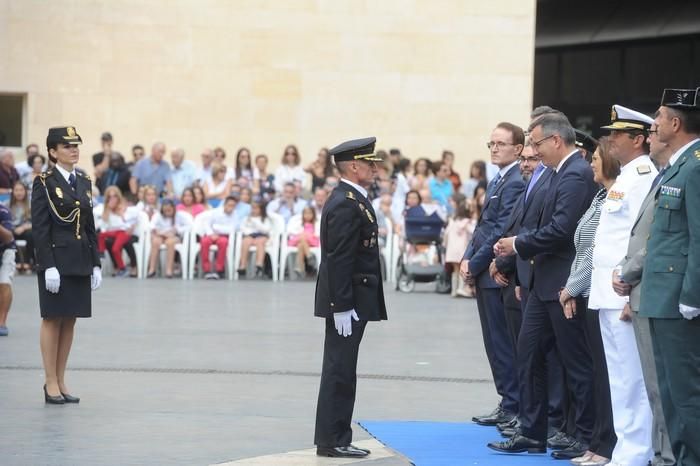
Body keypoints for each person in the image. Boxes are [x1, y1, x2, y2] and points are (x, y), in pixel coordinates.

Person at [491, 113, 597, 456]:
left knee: (574, 362)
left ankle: (582, 434)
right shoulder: (554, 173)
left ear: (555, 141)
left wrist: (518, 244)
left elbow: (562, 228)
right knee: (529, 354)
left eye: (536, 144)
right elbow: (537, 220)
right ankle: (532, 431)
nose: (533, 152)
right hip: (541, 282)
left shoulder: (576, 175)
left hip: (563, 284)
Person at [587, 105, 656, 466]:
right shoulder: (629, 175)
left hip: (621, 293)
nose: (611, 139)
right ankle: (625, 450)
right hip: (606, 292)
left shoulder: (643, 174)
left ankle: (636, 453)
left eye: (618, 134)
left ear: (638, 139)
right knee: (619, 379)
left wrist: (631, 289)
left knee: (632, 380)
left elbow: (640, 238)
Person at [637, 87, 700, 465]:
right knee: (671, 393)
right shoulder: (678, 165)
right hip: (661, 296)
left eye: (659, 116)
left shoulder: (695, 166)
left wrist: (693, 296)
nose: (654, 123)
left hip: (679, 299)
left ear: (675, 123)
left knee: (686, 392)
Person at [314, 137, 387, 459]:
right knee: (339, 369)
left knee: (343, 367)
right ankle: (333, 439)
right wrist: (341, 306)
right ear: (355, 166)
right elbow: (339, 259)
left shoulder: (352, 197)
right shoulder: (345, 201)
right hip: (347, 301)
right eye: (371, 164)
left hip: (352, 298)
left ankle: (336, 436)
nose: (375, 169)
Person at [613, 120, 675, 466]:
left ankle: (666, 456)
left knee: (661, 386)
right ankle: (658, 454)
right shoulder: (660, 175)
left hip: (658, 290)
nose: (652, 136)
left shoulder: (678, 173)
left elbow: (664, 238)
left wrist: (627, 272)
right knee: (652, 386)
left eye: (656, 127)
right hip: (640, 289)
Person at [559, 137, 620, 466]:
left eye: (595, 158)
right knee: (595, 373)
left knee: (604, 376)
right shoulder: (600, 196)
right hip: (586, 292)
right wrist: (572, 287)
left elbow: (598, 253)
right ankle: (597, 441)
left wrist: (571, 288)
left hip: (595, 293)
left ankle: (604, 443)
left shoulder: (614, 197)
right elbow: (583, 250)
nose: (591, 162)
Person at [461, 122, 526, 428]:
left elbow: (502, 229)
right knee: (493, 342)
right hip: (483, 266)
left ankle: (513, 404)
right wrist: (465, 257)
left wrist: (475, 264)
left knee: (503, 343)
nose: (495, 149)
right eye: (491, 144)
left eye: (501, 144)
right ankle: (507, 400)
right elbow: (483, 225)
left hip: (494, 270)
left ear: (518, 148)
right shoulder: (498, 179)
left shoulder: (515, 181)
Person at [31, 126, 102, 403]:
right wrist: (47, 264)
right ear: (52, 152)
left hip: (80, 258)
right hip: (56, 260)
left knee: (70, 318)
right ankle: (49, 381)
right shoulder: (44, 182)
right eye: (66, 146)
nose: (74, 150)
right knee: (52, 318)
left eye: (76, 145)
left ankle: (61, 379)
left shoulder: (83, 180)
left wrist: (95, 262)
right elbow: (40, 227)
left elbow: (89, 225)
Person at [146, 199, 191, 278]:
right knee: (155, 241)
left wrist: (177, 229)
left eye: (169, 210)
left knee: (170, 243)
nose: (167, 212)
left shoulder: (180, 216)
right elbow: (151, 226)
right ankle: (152, 269)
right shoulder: (157, 215)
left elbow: (190, 226)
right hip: (160, 235)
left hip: (174, 237)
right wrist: (160, 232)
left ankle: (169, 270)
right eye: (165, 210)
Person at [96, 186, 135, 277]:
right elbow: (104, 225)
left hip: (123, 231)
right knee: (101, 235)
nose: (112, 199)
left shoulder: (124, 207)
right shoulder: (105, 209)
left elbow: (128, 223)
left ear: (118, 197)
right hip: (113, 232)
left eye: (114, 196)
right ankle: (101, 253)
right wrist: (108, 210)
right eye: (110, 197)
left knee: (115, 248)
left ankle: (123, 268)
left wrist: (121, 213)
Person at [200, 196, 240, 279]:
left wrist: (217, 228)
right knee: (204, 242)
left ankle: (219, 270)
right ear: (224, 205)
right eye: (229, 205)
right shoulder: (215, 212)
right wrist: (211, 233)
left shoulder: (236, 215)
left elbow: (232, 229)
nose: (231, 207)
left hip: (224, 236)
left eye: (233, 206)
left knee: (223, 243)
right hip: (211, 234)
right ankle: (206, 270)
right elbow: (207, 224)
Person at [444, 192, 475, 297]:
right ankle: (461, 288)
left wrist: (445, 244)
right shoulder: (467, 222)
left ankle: (454, 290)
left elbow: (446, 233)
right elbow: (473, 232)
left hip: (451, 249)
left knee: (455, 270)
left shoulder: (453, 221)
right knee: (462, 269)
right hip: (461, 249)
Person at [237, 200, 272, 278]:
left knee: (260, 242)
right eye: (252, 208)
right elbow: (243, 228)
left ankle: (259, 264)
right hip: (250, 236)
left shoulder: (265, 219)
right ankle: (242, 265)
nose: (254, 210)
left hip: (262, 236)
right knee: (245, 242)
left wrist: (255, 223)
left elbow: (266, 230)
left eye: (256, 208)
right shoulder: (246, 218)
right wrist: (249, 233)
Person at [287, 205, 320, 278]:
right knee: (302, 240)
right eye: (305, 213)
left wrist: (308, 235)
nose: (307, 215)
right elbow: (290, 230)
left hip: (312, 241)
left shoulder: (316, 223)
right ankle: (309, 256)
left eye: (310, 213)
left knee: (301, 242)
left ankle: (299, 266)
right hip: (300, 239)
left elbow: (318, 233)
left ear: (313, 214)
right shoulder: (299, 223)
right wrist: (301, 234)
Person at [10, 181, 33, 272]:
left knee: (31, 234)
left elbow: (35, 222)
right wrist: (13, 228)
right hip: (12, 229)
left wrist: (23, 227)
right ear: (13, 192)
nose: (19, 192)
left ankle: (27, 261)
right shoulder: (7, 204)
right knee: (8, 234)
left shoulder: (31, 204)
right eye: (16, 190)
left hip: (26, 229)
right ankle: (17, 261)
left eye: (21, 190)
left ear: (25, 191)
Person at [0, 200, 15, 336]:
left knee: (4, 283)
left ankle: (2, 322)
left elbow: (9, 237)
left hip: (6, 250)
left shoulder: (3, 211)